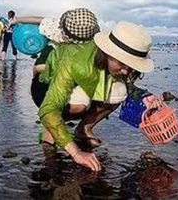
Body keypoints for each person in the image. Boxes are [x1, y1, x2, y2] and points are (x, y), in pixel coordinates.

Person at [38, 21, 157, 172]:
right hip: (45, 88)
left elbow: (126, 83)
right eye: (122, 64)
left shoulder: (114, 65)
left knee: (120, 91)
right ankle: (51, 130)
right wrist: (76, 152)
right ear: (108, 53)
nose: (126, 72)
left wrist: (144, 96)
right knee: (79, 104)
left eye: (131, 67)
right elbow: (48, 108)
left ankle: (83, 129)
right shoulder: (74, 60)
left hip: (85, 80)